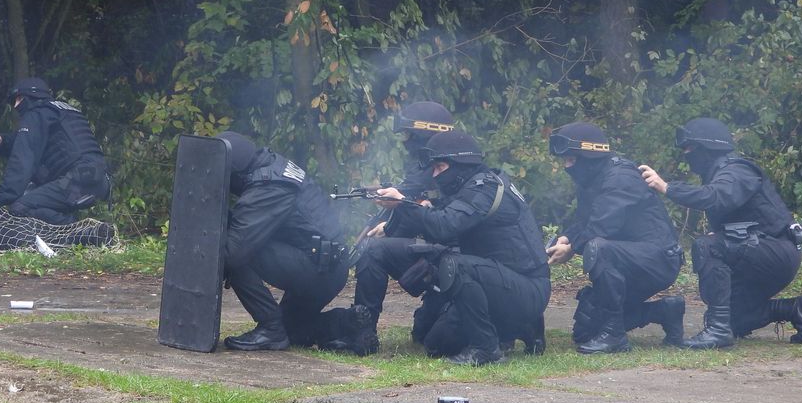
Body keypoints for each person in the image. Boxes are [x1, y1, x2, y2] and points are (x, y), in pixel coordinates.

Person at [638, 117, 802, 349]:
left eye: (690, 148)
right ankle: (796, 309)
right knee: (736, 319)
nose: (686, 154)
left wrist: (667, 187)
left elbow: (715, 196)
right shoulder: (721, 173)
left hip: (776, 252)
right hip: (765, 251)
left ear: (707, 147)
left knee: (707, 246)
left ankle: (718, 331)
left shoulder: (738, 170)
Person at [376, 130, 551, 365]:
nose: (435, 175)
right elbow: (449, 214)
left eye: (439, 168)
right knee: (436, 343)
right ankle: (515, 328)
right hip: (501, 282)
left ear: (460, 163)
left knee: (455, 265)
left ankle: (487, 349)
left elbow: (445, 226)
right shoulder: (475, 186)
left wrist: (404, 204)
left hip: (526, 287)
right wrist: (423, 206)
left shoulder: (485, 188)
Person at [313, 101, 455, 355]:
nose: (405, 141)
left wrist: (391, 224)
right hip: (439, 252)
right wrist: (392, 216)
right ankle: (362, 328)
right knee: (422, 332)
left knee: (374, 251)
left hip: (460, 259)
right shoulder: (425, 168)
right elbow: (416, 209)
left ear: (426, 133)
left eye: (410, 135)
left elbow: (442, 214)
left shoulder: (452, 166)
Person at [544, 122, 685, 354]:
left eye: (571, 160)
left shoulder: (621, 177)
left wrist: (571, 250)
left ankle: (615, 336)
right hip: (628, 258)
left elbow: (602, 225)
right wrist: (565, 238)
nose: (567, 166)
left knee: (598, 247)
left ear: (587, 155)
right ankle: (665, 311)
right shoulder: (592, 180)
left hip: (658, 260)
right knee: (586, 332)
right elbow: (585, 221)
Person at [217, 131, 350, 352]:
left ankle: (270, 328)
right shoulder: (272, 165)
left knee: (234, 254)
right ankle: (349, 324)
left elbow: (234, 253)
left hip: (319, 269)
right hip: (326, 264)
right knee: (295, 332)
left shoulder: (268, 186)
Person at [0, 78, 111, 225]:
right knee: (39, 197)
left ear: (30, 97)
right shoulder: (61, 110)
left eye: (18, 99)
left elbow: (23, 159)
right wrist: (1, 141)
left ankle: (82, 232)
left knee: (21, 207)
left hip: (75, 181)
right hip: (99, 181)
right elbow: (35, 141)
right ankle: (82, 232)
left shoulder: (36, 113)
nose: (15, 105)